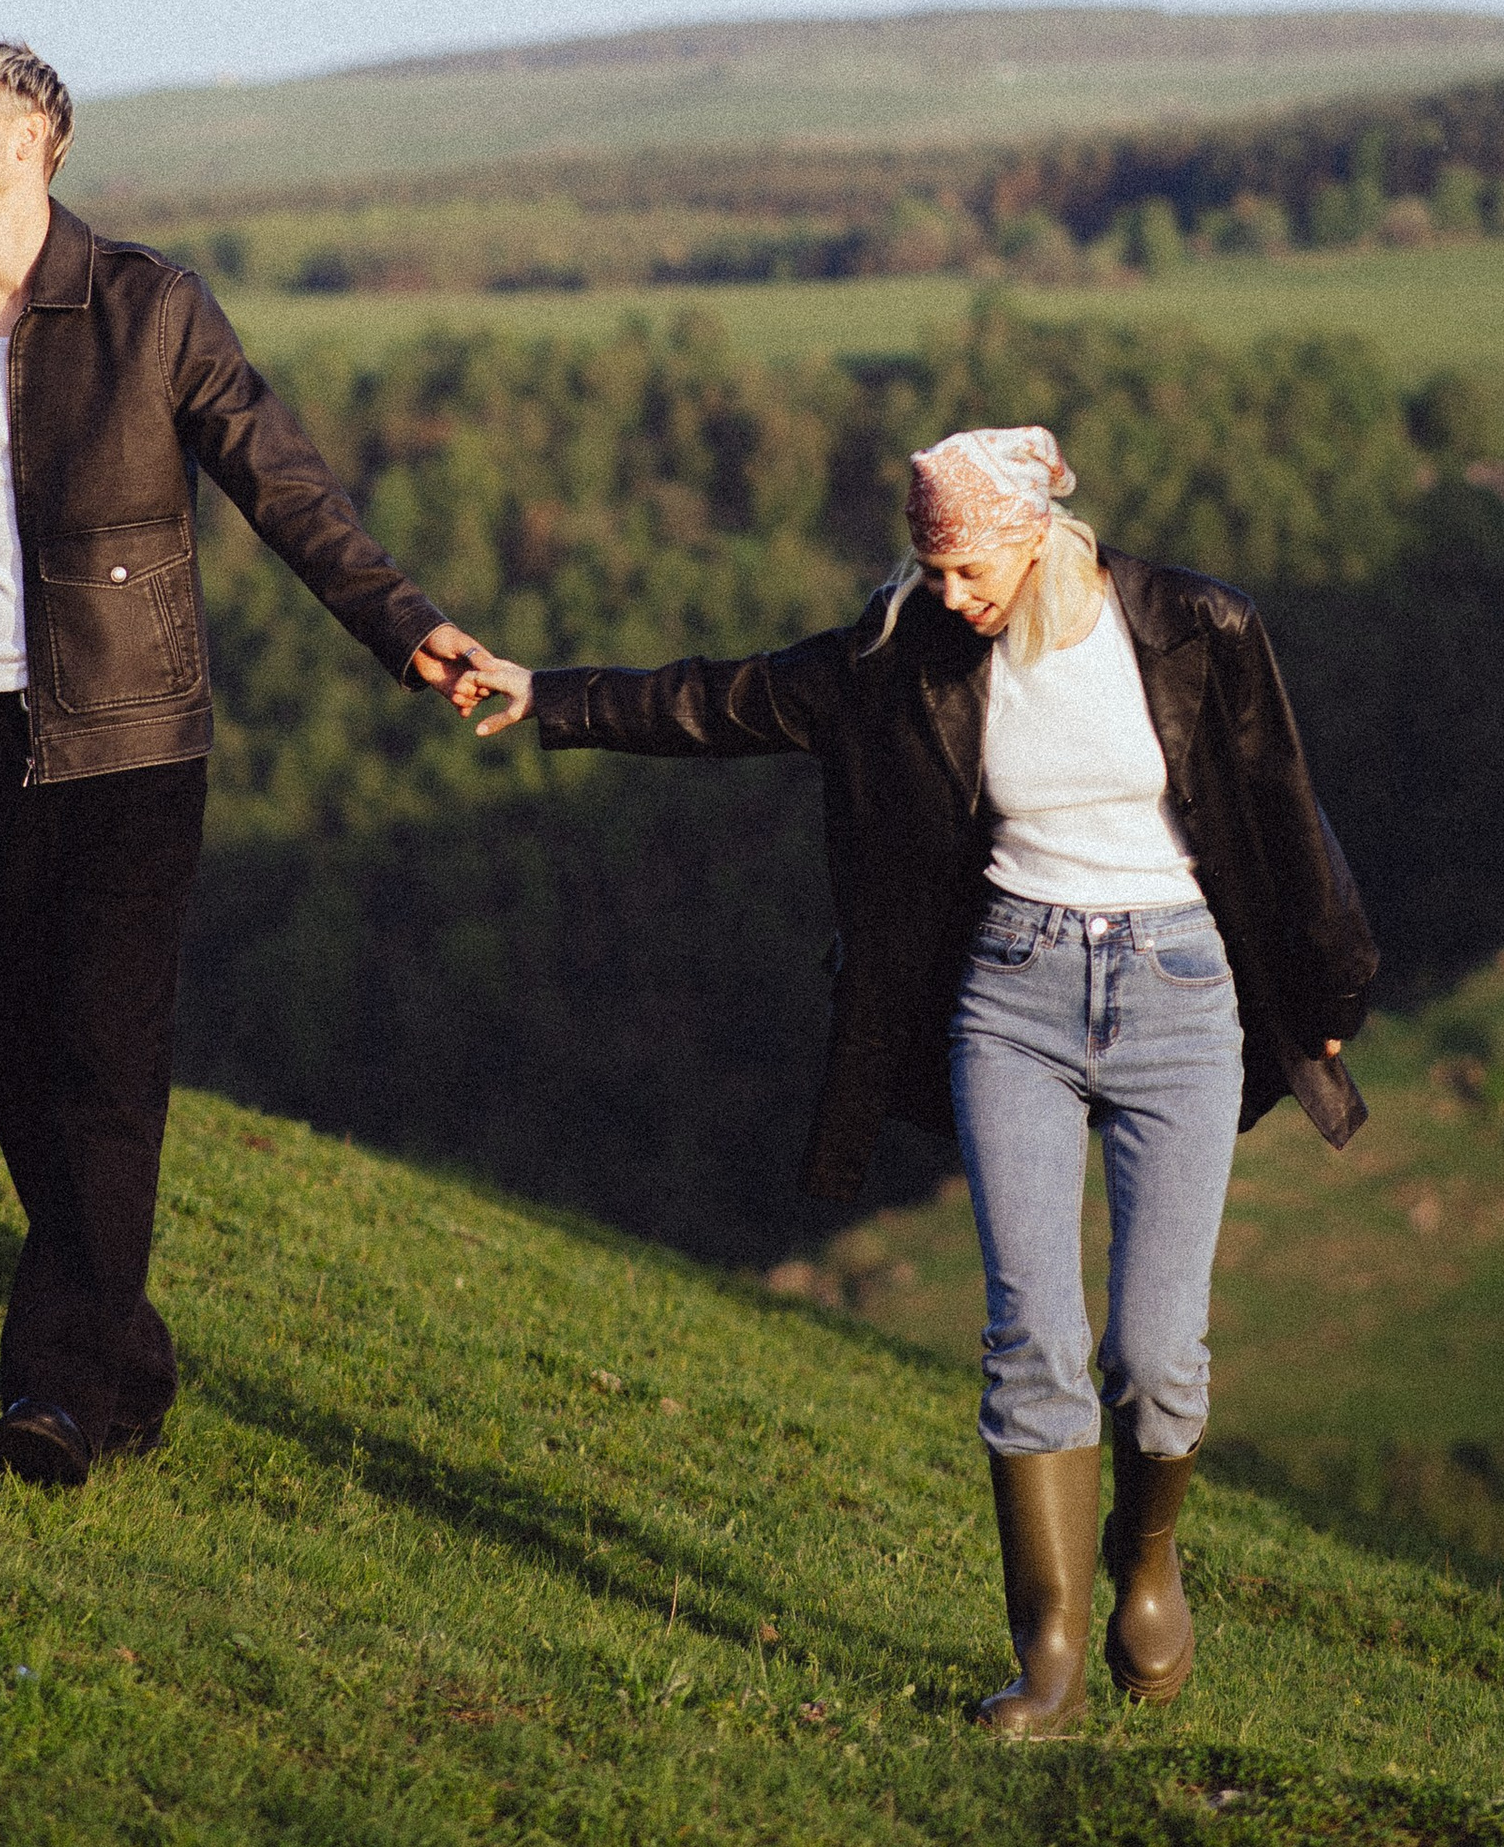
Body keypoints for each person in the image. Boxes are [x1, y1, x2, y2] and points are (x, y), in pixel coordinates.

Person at [454, 424, 1375, 1732]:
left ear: (1039, 534)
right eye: (929, 568)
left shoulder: (1194, 629)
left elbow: (1283, 807)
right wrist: (546, 691)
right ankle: (1047, 1654)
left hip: (1183, 997)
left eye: (965, 568)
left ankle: (1148, 1562)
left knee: (1158, 1355)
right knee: (1029, 1337)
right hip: (1011, 997)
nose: (945, 593)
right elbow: (725, 702)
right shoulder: (903, 661)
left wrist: (1329, 989)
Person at [0, 39, 495, 1486]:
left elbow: (287, 487)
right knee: (16, 1058)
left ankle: (54, 1398)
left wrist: (409, 632)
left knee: (106, 1058)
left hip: (131, 744)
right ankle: (127, 1357)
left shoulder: (152, 313)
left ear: (33, 139)